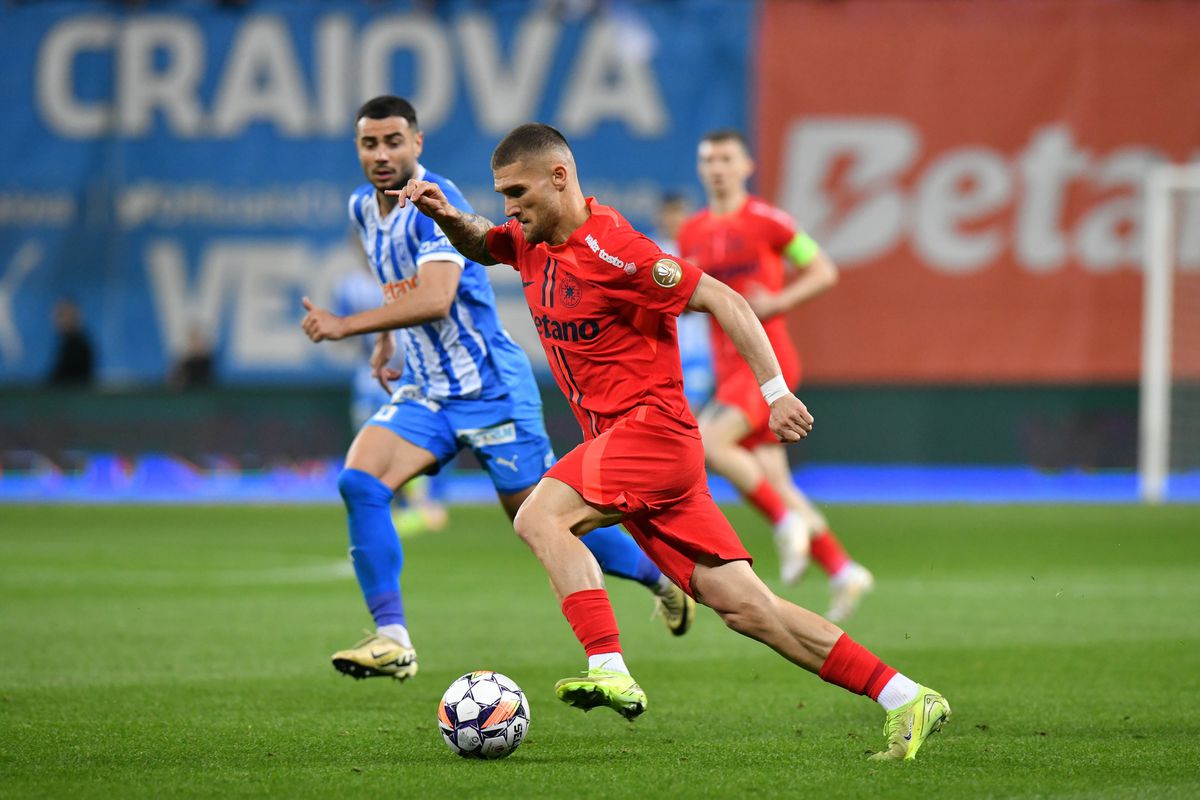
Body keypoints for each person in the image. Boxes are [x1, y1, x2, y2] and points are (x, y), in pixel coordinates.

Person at [395, 123, 951, 761]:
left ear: (559, 177)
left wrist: (774, 395)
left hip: (650, 433)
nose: (508, 207)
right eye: (500, 194)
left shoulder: (616, 251)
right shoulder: (528, 240)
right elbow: (483, 244)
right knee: (748, 609)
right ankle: (905, 696)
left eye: (517, 191)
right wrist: (446, 216)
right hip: (637, 452)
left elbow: (726, 298)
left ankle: (608, 664)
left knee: (540, 516)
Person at [300, 96, 693, 683]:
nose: (381, 155)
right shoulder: (362, 207)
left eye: (393, 142)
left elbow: (434, 296)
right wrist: (385, 344)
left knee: (540, 519)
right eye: (369, 144)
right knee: (360, 481)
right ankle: (393, 638)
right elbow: (396, 287)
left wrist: (344, 326)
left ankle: (657, 577)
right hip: (430, 390)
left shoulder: (439, 201)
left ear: (417, 144)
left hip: (491, 390)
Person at [677, 129, 874, 623]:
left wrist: (779, 302)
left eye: (725, 158)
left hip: (766, 365)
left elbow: (823, 269)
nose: (716, 167)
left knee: (708, 444)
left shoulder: (769, 222)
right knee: (774, 479)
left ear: (746, 166)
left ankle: (787, 525)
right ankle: (843, 569)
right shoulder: (692, 231)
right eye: (708, 159)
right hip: (726, 368)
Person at [47, 299, 94, 385]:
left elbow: (63, 379)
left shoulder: (76, 345)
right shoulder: (68, 343)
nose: (55, 320)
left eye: (60, 315)